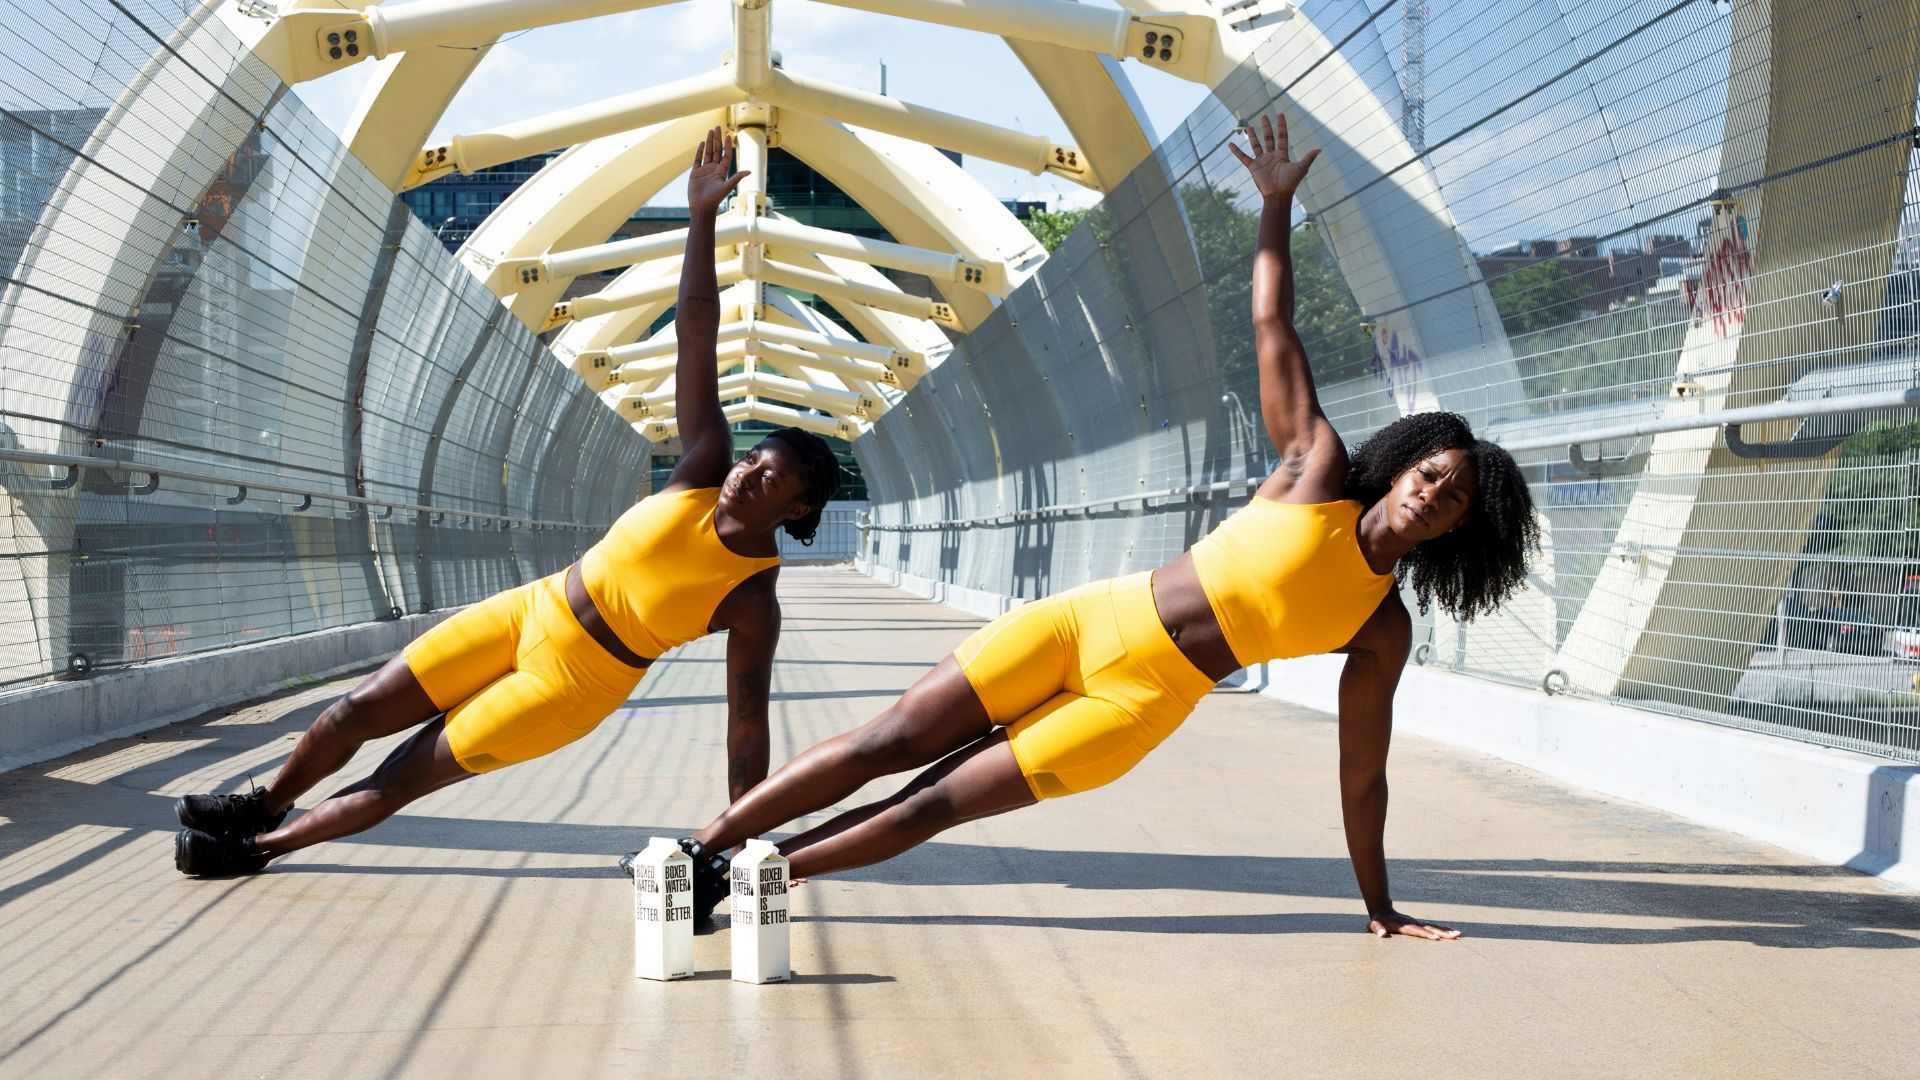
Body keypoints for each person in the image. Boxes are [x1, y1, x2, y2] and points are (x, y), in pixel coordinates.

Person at [655, 113, 1539, 940]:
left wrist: (1378, 903)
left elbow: (1363, 774)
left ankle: (742, 884)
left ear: (1462, 530)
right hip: (1083, 623)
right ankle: (701, 847)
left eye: (1456, 500)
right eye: (1433, 475)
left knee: (929, 805)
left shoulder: (1382, 626)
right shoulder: (1313, 471)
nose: (1435, 495)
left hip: (1137, 704)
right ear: (1406, 462)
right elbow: (1274, 323)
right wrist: (1274, 206)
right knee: (887, 743)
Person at [174, 128, 840, 876]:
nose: (747, 472)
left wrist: (736, 841)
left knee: (400, 774)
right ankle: (260, 806)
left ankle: (256, 850)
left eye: (770, 477)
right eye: (754, 457)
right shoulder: (702, 466)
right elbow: (694, 333)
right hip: (531, 609)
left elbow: (745, 727)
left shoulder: (753, 598)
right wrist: (701, 220)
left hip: (569, 685)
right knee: (353, 711)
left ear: (796, 509)